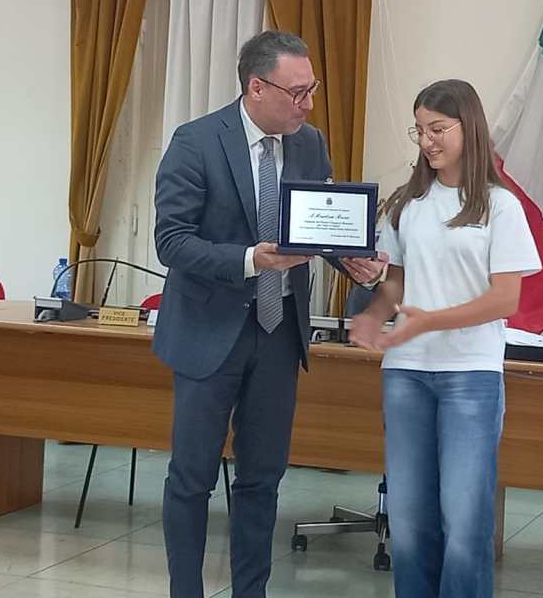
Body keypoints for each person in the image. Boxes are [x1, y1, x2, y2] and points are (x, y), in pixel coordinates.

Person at [153, 30, 387, 598]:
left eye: (312, 89)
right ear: (256, 88)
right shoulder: (196, 142)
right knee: (192, 477)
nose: (309, 104)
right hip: (209, 333)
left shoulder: (309, 143)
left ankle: (250, 591)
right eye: (297, 92)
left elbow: (315, 227)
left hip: (279, 333)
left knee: (262, 478)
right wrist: (249, 259)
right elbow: (172, 242)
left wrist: (353, 262)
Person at [350, 79, 541, 598]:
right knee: (409, 519)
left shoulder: (500, 206)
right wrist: (374, 314)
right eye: (419, 130)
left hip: (470, 374)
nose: (427, 141)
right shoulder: (407, 203)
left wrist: (429, 321)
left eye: (437, 129)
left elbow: (505, 299)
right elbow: (396, 286)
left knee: (464, 520)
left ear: (468, 128)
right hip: (406, 373)